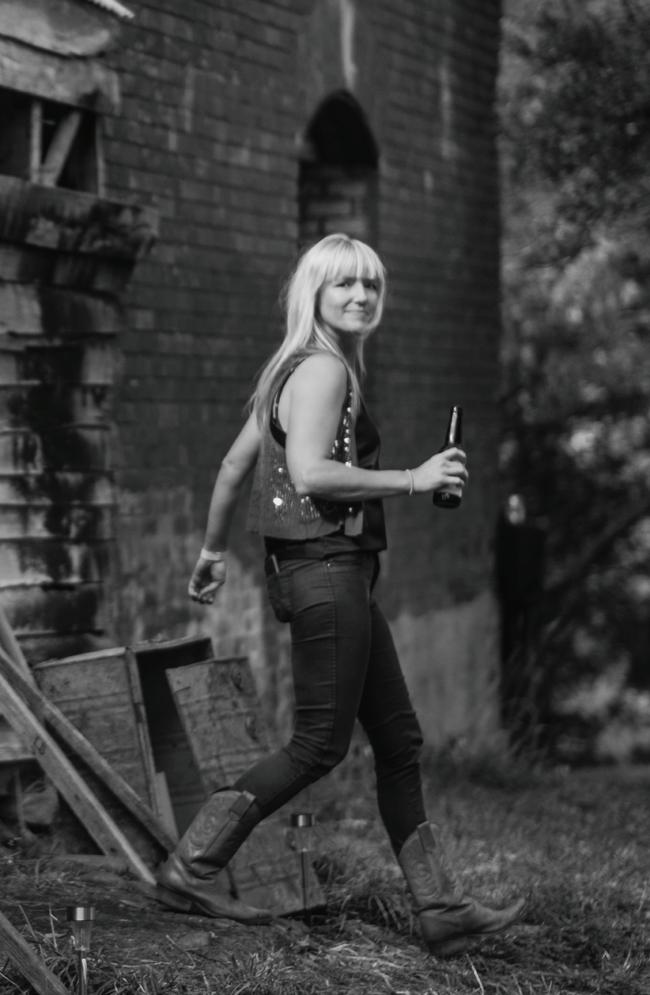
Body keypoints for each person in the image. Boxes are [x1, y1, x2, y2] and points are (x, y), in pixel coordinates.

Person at [155, 233, 524, 955]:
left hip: (332, 574)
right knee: (318, 745)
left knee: (399, 738)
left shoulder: (290, 369)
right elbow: (312, 473)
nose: (361, 296)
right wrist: (415, 478)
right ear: (315, 293)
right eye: (344, 284)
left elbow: (232, 466)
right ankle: (191, 865)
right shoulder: (323, 369)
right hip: (326, 572)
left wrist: (211, 553)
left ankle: (441, 907)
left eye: (371, 284)